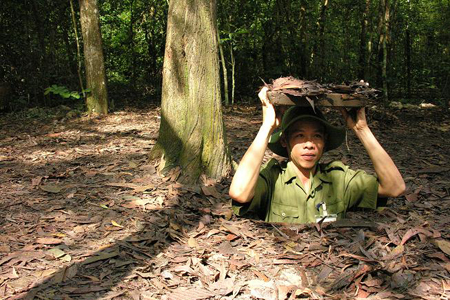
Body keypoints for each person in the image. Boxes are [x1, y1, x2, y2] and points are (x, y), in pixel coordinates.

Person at [229, 87, 405, 224]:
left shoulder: (338, 179)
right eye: (299, 136)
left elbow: (394, 187)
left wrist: (362, 129)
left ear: (324, 142)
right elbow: (239, 193)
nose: (309, 144)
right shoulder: (274, 178)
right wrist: (267, 128)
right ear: (285, 141)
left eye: (317, 136)